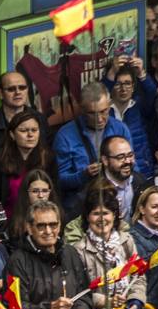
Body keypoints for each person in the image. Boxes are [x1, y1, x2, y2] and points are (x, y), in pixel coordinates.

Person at [53, 83, 134, 220]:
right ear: (82, 110)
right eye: (92, 113)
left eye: (104, 111)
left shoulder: (120, 129)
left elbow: (132, 165)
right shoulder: (65, 136)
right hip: (81, 207)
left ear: (109, 105)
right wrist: (83, 174)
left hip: (117, 202)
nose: (99, 119)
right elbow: (60, 180)